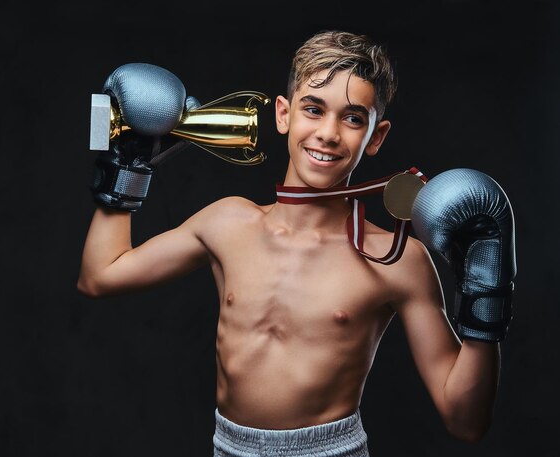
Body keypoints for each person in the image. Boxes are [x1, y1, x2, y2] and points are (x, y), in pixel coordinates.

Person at [77, 30, 515, 457]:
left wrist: (487, 288)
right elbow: (101, 275)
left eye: (352, 118)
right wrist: (127, 165)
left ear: (375, 136)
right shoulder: (229, 222)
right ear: (283, 115)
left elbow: (466, 421)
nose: (328, 132)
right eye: (313, 109)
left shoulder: (396, 259)